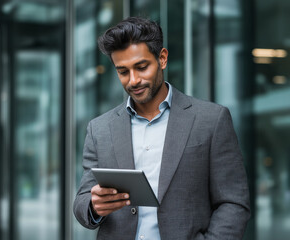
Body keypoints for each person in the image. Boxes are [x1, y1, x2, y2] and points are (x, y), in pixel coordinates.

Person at [73, 16, 250, 240]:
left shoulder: (212, 120)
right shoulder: (99, 129)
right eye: (123, 71)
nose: (133, 80)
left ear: (162, 58)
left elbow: (233, 202)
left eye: (141, 67)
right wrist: (94, 205)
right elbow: (82, 201)